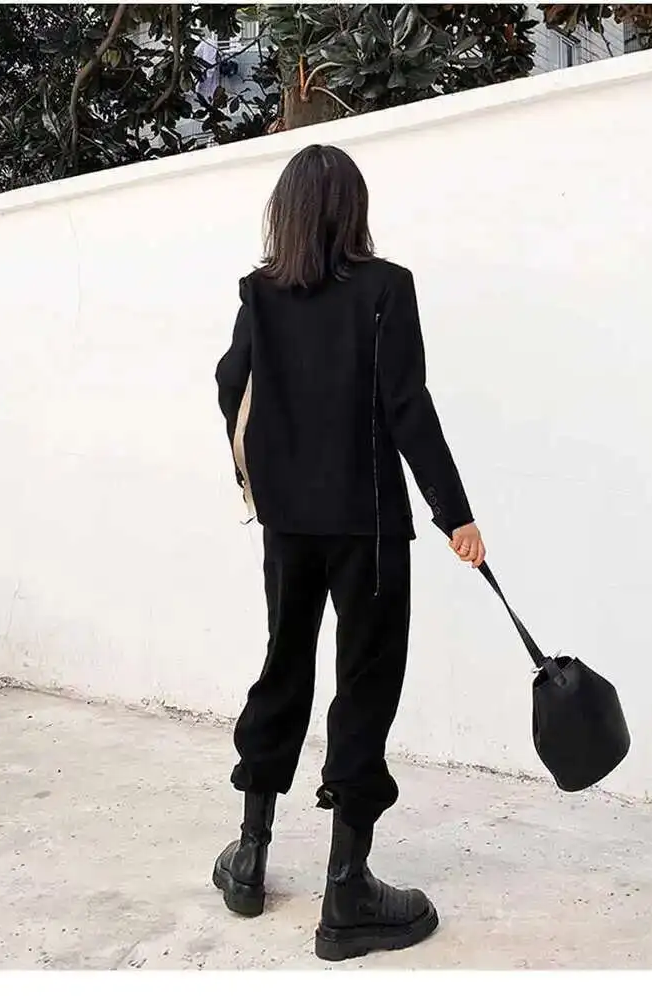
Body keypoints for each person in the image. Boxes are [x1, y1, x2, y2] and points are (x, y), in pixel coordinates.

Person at [213, 144, 485, 962]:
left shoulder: (260, 292)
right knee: (364, 686)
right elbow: (407, 404)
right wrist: (455, 513)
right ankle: (346, 891)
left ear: (287, 210)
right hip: (368, 527)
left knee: (283, 667)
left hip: (288, 525)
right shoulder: (385, 287)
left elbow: (231, 384)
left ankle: (250, 859)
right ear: (353, 209)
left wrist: (264, 477)